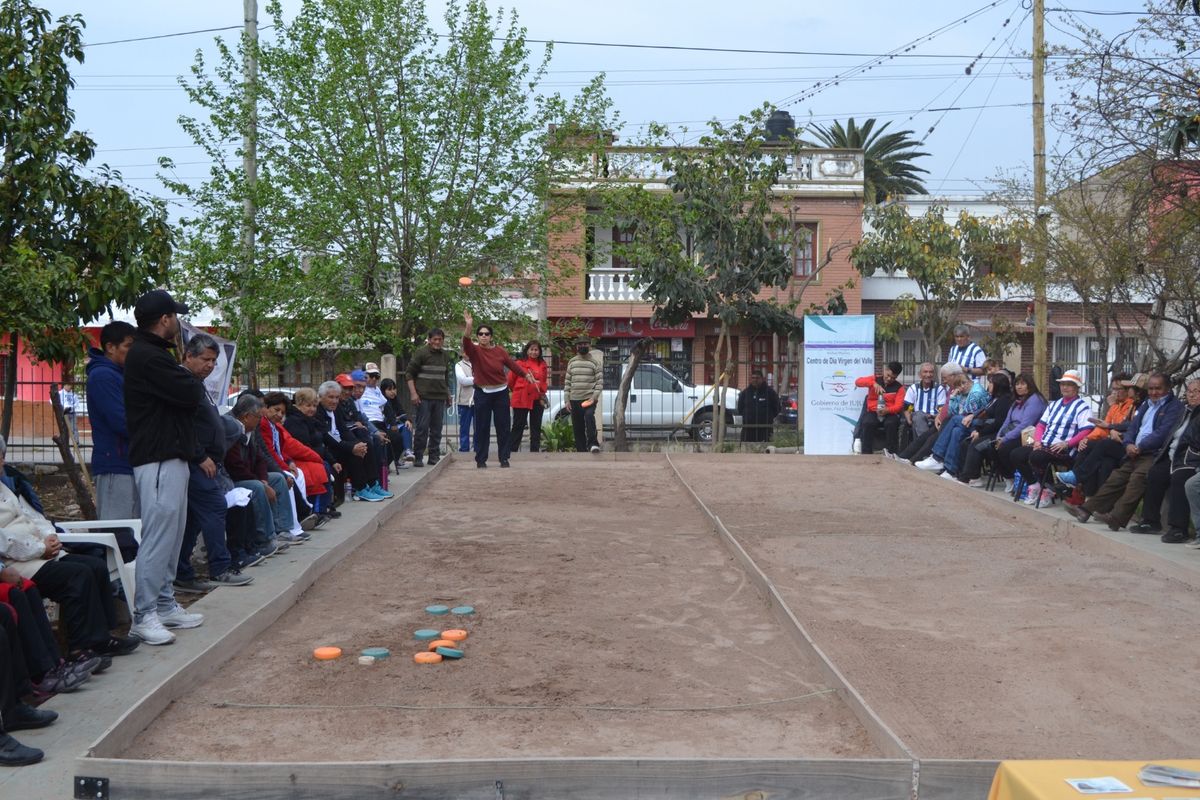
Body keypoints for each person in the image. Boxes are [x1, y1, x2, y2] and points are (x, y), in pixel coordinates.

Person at [0, 436, 139, 661]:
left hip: (41, 551)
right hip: (17, 561)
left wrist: (50, 536)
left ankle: (101, 638)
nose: (2, 462)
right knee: (77, 575)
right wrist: (40, 548)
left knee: (96, 566)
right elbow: (3, 541)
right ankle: (78, 648)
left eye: (2, 457)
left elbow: (34, 517)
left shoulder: (6, 487)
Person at [123, 289, 206, 646]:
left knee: (172, 536)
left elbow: (188, 393)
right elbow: (190, 393)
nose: (179, 323)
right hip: (157, 459)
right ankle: (144, 615)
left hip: (171, 456)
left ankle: (164, 603)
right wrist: (188, 375)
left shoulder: (156, 354)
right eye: (176, 316)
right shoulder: (148, 356)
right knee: (158, 538)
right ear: (164, 319)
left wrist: (185, 376)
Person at [174, 335, 253, 592]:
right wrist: (200, 455)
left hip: (206, 460)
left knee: (193, 518)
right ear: (188, 356)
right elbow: (183, 425)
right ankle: (220, 568)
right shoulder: (184, 382)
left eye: (214, 361)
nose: (210, 365)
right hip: (197, 462)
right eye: (205, 359)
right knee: (215, 506)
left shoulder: (196, 383)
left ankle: (182, 572)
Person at [1067, 372, 1184, 530]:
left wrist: (1140, 446)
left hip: (1154, 454)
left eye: (1158, 388)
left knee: (1137, 479)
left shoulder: (1174, 407)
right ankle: (1085, 510)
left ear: (1168, 388)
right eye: (1151, 388)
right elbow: (1133, 427)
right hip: (1134, 450)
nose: (1154, 392)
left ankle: (1116, 518)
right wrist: (1128, 443)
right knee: (1116, 478)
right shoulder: (1147, 404)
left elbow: (1162, 433)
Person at [85, 320, 140, 559]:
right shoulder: (103, 376)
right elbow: (121, 421)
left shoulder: (120, 374)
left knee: (131, 529)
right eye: (128, 346)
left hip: (129, 461)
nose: (133, 352)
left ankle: (128, 575)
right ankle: (113, 577)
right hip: (115, 462)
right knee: (117, 531)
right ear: (110, 347)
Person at [1009, 370, 1095, 506]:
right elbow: (1040, 425)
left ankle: (1048, 490)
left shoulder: (1083, 407)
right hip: (1043, 444)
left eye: (1069, 385)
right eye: (1063, 384)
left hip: (1064, 448)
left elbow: (1086, 430)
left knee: (1037, 456)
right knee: (1016, 454)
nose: (1065, 387)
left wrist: (1067, 443)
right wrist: (1037, 441)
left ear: (1077, 388)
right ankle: (1034, 485)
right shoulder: (1054, 405)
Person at [461, 312, 536, 467]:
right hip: (482, 393)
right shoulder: (474, 351)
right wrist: (468, 326)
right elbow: (466, 342)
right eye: (480, 334)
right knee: (482, 427)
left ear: (491, 337)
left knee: (503, 426)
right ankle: (481, 459)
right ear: (477, 337)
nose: (483, 336)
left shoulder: (500, 351)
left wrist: (525, 375)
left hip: (501, 392)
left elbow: (512, 365)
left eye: (486, 334)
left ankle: (504, 458)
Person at [1134, 379, 1200, 542]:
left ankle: (1178, 529)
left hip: (1190, 459)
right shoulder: (1184, 411)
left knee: (1179, 478)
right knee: (1155, 473)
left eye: (1196, 391)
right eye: (1189, 391)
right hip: (1173, 455)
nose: (1192, 395)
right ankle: (1150, 521)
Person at [963, 372, 1046, 490]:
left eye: (1023, 384)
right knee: (991, 447)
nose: (1019, 387)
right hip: (1011, 431)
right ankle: (1008, 477)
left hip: (1029, 435)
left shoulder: (1035, 400)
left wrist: (1005, 438)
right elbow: (1006, 421)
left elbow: (1025, 425)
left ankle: (1016, 477)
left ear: (1030, 385)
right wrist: (999, 436)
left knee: (1003, 448)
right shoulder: (1017, 400)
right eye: (1017, 384)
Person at [1060, 373, 1139, 498]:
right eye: (1113, 389)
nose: (1114, 392)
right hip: (1110, 446)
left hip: (1124, 445)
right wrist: (1087, 438)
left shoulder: (1132, 405)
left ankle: (1077, 481)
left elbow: (1122, 426)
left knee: (1101, 448)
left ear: (1128, 390)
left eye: (1118, 389)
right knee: (1100, 458)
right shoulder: (1116, 405)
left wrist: (1111, 425)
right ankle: (1088, 497)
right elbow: (1102, 428)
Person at [915, 367, 989, 475]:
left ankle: (937, 457)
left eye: (958, 387)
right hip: (964, 423)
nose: (957, 390)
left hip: (977, 424)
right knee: (956, 431)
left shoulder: (975, 393)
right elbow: (953, 411)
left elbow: (968, 415)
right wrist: (953, 397)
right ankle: (950, 470)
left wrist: (957, 403)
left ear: (964, 384)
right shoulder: (962, 392)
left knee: (953, 420)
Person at [284, 388, 340, 522]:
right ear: (299, 404)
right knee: (321, 468)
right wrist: (320, 457)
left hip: (312, 455)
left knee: (326, 466)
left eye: (314, 406)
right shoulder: (294, 421)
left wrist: (332, 460)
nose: (312, 409)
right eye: (308, 405)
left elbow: (320, 442)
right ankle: (317, 510)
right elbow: (303, 446)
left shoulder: (310, 420)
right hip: (299, 458)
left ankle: (323, 507)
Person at [953, 371, 1015, 486]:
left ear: (998, 385)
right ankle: (967, 475)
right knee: (965, 443)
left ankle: (968, 477)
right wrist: (977, 429)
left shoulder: (1004, 401)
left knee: (976, 445)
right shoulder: (993, 399)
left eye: (991, 383)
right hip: (985, 430)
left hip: (997, 434)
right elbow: (984, 417)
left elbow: (998, 423)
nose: (989, 385)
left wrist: (980, 433)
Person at [405, 329, 451, 468]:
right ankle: (418, 456)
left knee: (437, 429)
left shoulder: (445, 355)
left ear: (443, 340)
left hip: (439, 397)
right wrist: (413, 393)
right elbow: (409, 374)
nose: (437, 342)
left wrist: (448, 394)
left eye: (440, 339)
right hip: (423, 397)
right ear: (429, 340)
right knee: (422, 428)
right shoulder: (421, 353)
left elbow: (445, 377)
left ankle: (433, 456)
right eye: (435, 339)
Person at [508, 341, 549, 453]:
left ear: (539, 352)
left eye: (536, 350)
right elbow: (510, 381)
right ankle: (511, 452)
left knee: (536, 427)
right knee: (518, 426)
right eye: (531, 349)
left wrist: (541, 390)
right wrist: (519, 390)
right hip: (521, 398)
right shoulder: (519, 363)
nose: (534, 352)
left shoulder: (543, 364)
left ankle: (534, 453)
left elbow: (544, 381)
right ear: (527, 350)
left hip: (537, 399)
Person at [853, 362, 903, 453]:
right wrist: (873, 384)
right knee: (868, 422)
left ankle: (892, 453)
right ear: (885, 370)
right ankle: (866, 453)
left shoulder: (899, 388)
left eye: (893, 378)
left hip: (889, 412)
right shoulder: (875, 379)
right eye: (888, 375)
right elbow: (857, 382)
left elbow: (898, 406)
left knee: (891, 423)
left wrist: (887, 410)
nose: (889, 379)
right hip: (873, 411)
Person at [564, 336, 603, 454]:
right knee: (578, 426)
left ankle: (593, 444)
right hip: (574, 399)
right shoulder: (572, 362)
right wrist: (567, 399)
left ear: (589, 345)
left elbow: (599, 382)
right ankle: (581, 450)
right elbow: (567, 382)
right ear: (576, 346)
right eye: (580, 344)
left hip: (589, 399)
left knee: (589, 417)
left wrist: (594, 397)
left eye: (585, 344)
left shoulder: (595, 363)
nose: (582, 346)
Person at [901, 362, 946, 443]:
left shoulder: (939, 389)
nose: (928, 375)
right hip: (917, 416)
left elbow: (941, 410)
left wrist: (934, 416)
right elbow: (907, 408)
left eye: (931, 372)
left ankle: (921, 445)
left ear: (933, 374)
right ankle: (925, 444)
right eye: (925, 372)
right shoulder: (913, 388)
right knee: (918, 416)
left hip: (934, 418)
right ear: (920, 374)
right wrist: (909, 421)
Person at [379, 379, 415, 470]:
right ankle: (389, 463)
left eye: (394, 389)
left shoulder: (395, 400)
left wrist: (407, 420)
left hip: (395, 426)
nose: (393, 392)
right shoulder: (382, 400)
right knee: (397, 436)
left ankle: (407, 451)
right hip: (384, 427)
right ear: (383, 390)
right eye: (389, 389)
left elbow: (402, 413)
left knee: (406, 426)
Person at [738, 370, 782, 444]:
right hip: (748, 430)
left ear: (762, 379)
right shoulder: (745, 393)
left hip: (765, 429)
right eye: (753, 378)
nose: (755, 380)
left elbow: (777, 408)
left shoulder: (770, 392)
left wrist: (768, 417)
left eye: (757, 378)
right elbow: (740, 408)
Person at [455, 355, 475, 453]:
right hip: (464, 401)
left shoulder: (479, 363)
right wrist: (479, 378)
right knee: (464, 427)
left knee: (479, 427)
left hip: (479, 401)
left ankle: (477, 449)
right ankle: (464, 450)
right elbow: (463, 380)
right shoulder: (459, 365)